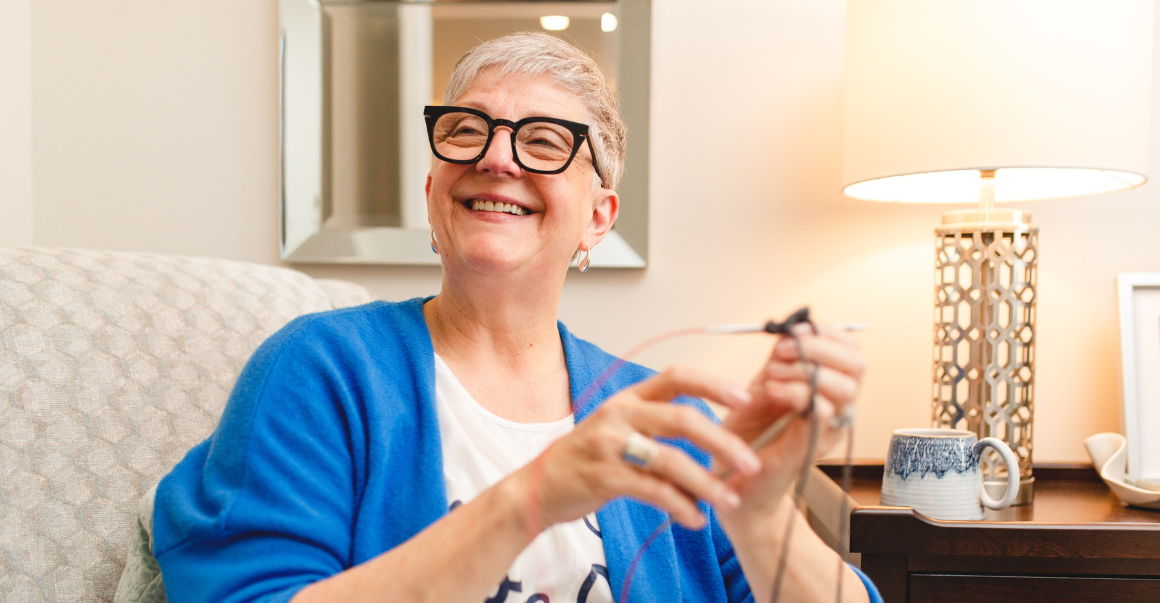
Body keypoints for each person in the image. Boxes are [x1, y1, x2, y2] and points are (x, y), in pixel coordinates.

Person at [152, 32, 880, 603]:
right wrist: (531, 497)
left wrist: (759, 511)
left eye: (542, 140)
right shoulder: (322, 371)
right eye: (469, 130)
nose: (497, 157)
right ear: (434, 186)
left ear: (598, 218)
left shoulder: (668, 417)